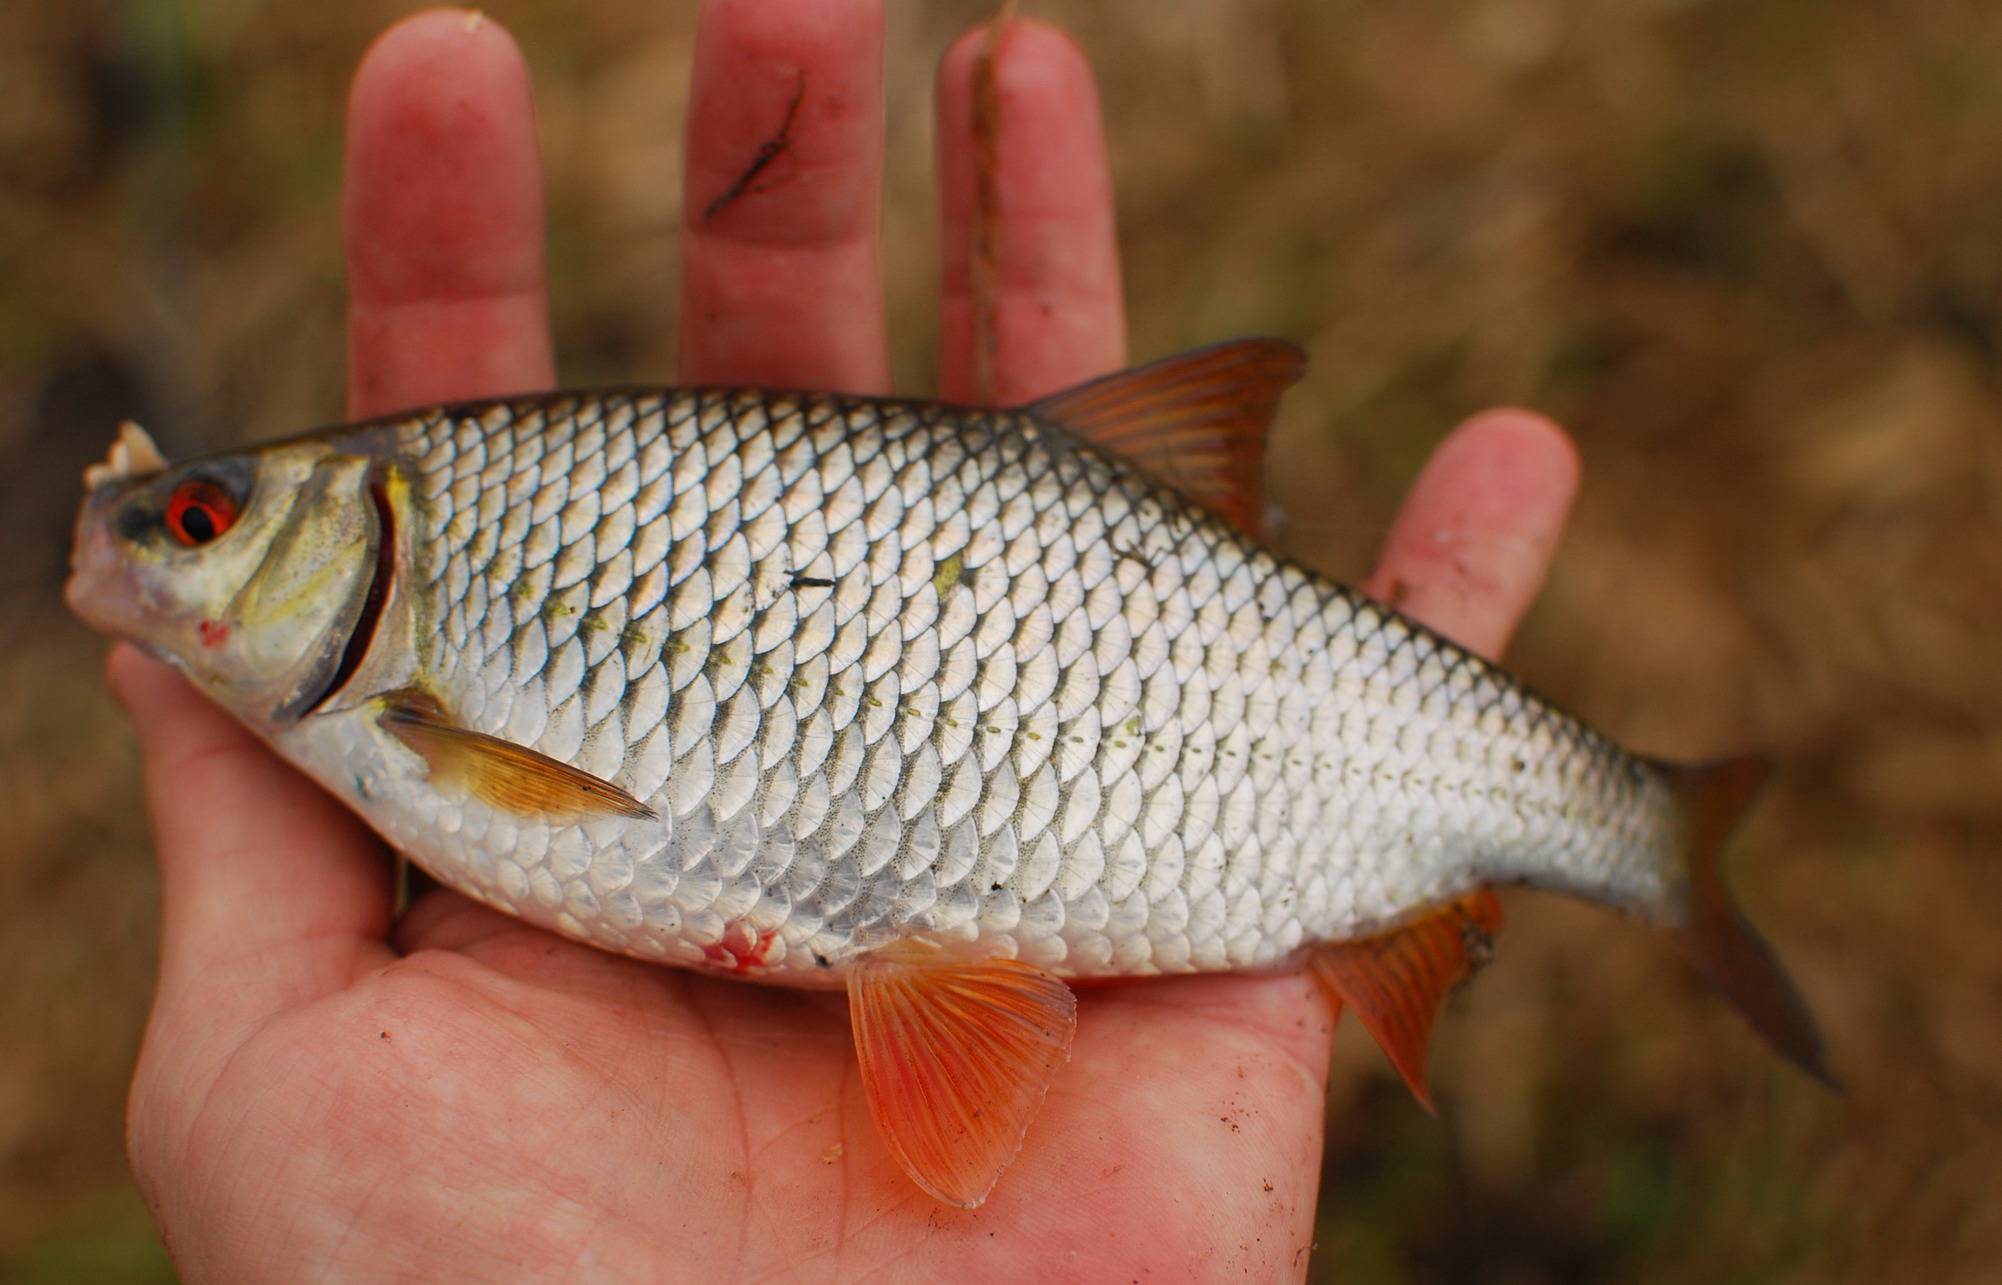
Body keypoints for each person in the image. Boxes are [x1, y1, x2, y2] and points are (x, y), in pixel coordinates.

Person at [109, 5, 1579, 1279]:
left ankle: (1627, 824)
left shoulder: (404, 705)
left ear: (368, 535)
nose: (151, 542)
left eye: (192, 520)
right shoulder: (387, 695)